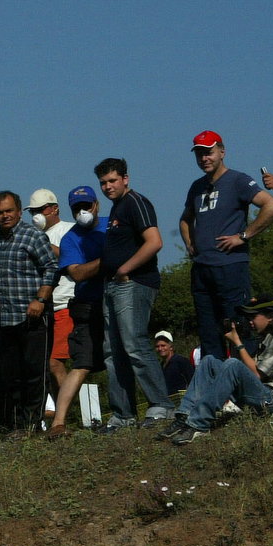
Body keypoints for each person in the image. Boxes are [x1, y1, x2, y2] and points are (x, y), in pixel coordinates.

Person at [180, 132, 273, 360]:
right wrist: (190, 244)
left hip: (230, 267)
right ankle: (217, 392)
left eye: (209, 152)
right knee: (208, 335)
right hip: (202, 270)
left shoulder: (238, 180)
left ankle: (247, 390)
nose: (204, 158)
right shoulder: (196, 187)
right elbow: (185, 219)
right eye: (199, 153)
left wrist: (243, 236)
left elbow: (272, 206)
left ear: (222, 152)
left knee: (240, 329)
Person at [96, 157, 174, 431]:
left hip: (134, 283)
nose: (108, 187)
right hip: (113, 286)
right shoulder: (117, 209)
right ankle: (123, 414)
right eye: (103, 183)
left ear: (125, 179)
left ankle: (161, 405)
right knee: (113, 352)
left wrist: (124, 269)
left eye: (113, 181)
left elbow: (155, 242)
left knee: (135, 344)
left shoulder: (135, 202)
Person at [160, 300, 273, 444]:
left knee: (232, 364)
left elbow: (256, 374)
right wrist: (235, 341)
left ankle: (199, 424)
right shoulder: (266, 339)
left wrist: (238, 342)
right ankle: (184, 416)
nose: (250, 321)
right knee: (209, 362)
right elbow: (245, 369)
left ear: (270, 316)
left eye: (253, 316)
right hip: (260, 396)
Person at [0, 190, 57, 433]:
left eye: (9, 211)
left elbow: (51, 268)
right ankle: (16, 425)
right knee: (10, 375)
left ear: (19, 209)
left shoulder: (32, 236)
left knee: (35, 373)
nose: (5, 216)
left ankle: (33, 424)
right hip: (4, 319)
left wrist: (40, 299)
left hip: (33, 317)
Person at [48, 187, 108, 438]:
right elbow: (77, 273)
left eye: (87, 205)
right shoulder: (71, 238)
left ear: (97, 205)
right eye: (77, 208)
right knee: (81, 363)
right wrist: (110, 260)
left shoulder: (112, 226)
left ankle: (130, 412)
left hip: (117, 298)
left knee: (127, 356)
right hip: (86, 304)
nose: (83, 211)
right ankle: (58, 423)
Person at [28, 189, 75, 412]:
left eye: (41, 210)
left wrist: (44, 244)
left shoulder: (68, 230)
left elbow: (73, 258)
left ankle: (64, 414)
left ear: (54, 208)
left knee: (56, 362)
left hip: (65, 304)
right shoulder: (31, 235)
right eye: (33, 211)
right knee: (45, 366)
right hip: (42, 309)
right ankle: (58, 414)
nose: (37, 215)